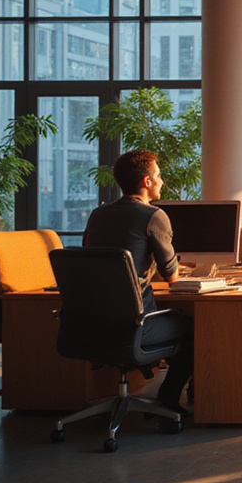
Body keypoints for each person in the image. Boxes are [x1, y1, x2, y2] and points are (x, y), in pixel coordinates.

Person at [82, 149, 193, 412]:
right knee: (195, 329)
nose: (162, 181)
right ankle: (168, 400)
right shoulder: (153, 216)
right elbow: (172, 275)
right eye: (158, 175)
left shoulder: (98, 215)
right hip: (137, 325)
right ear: (146, 182)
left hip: (91, 325)